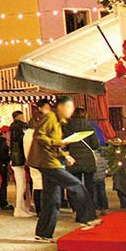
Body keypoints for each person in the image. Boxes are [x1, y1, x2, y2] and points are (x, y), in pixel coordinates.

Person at [29, 96, 100, 243]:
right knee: (76, 184)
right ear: (60, 107)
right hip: (47, 162)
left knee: (52, 199)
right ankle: (87, 218)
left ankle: (43, 233)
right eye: (69, 107)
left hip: (51, 161)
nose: (70, 111)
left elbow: (53, 144)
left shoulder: (58, 121)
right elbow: (39, 137)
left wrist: (64, 155)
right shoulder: (50, 117)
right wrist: (59, 142)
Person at [63, 108, 100, 210]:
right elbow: (95, 145)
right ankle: (89, 208)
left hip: (73, 159)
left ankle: (76, 209)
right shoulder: (89, 126)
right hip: (87, 160)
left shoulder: (68, 127)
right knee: (89, 186)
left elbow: (65, 145)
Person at [25, 100, 51, 214]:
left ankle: (39, 211)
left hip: (31, 160)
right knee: (43, 185)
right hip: (41, 161)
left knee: (37, 184)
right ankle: (43, 210)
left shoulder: (27, 133)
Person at [9, 110, 33, 217]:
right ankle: (18, 208)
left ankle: (22, 208)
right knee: (21, 186)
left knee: (21, 185)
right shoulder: (20, 128)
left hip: (16, 159)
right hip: (19, 159)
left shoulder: (13, 128)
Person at [0, 126, 13, 211]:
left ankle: (3, 202)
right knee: (3, 184)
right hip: (2, 165)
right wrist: (9, 157)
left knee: (3, 184)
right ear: (4, 133)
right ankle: (3, 203)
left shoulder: (0, 142)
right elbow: (2, 155)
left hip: (1, 164)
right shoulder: (2, 143)